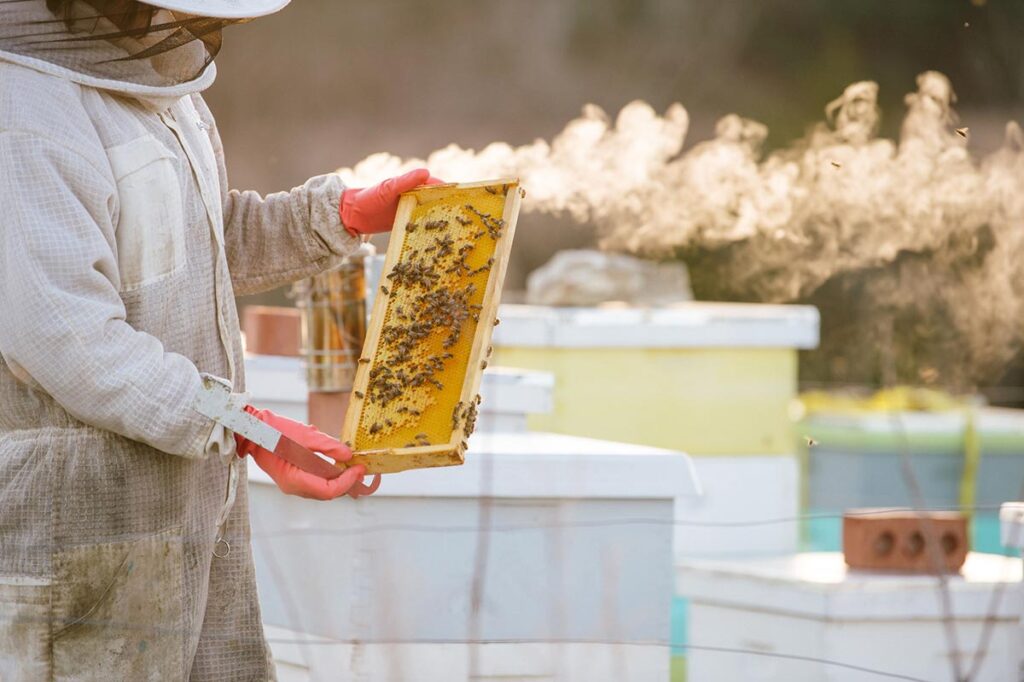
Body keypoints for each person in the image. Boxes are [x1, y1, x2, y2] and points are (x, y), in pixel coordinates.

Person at [0, 1, 438, 678]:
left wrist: (337, 216)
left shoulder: (165, 94)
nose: (189, 24)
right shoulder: (21, 111)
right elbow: (70, 339)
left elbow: (203, 243)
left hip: (194, 514)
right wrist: (241, 424)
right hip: (77, 535)